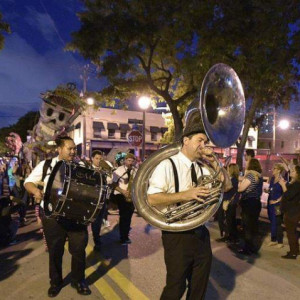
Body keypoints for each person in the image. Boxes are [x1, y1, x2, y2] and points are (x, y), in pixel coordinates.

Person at [147, 109, 228, 300]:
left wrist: (216, 164)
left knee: (199, 285)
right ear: (186, 141)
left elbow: (227, 186)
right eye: (200, 140)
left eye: (205, 142)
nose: (204, 145)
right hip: (176, 234)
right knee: (176, 285)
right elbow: (152, 198)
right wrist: (186, 195)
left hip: (200, 232)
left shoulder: (202, 167)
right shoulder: (167, 164)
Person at [24, 136, 91, 297]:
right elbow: (28, 182)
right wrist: (36, 191)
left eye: (75, 148)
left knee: (79, 250)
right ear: (59, 149)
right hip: (52, 215)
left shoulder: (80, 166)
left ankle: (78, 280)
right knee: (55, 250)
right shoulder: (46, 165)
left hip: (75, 215)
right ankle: (55, 282)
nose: (73, 151)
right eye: (70, 148)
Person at [238, 158, 263, 255]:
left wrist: (240, 184)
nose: (246, 164)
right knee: (253, 226)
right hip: (256, 202)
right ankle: (253, 247)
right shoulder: (259, 175)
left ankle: (247, 249)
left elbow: (241, 189)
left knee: (247, 226)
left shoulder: (251, 175)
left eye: (247, 163)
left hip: (249, 203)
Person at [90, 150, 113, 251]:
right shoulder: (87, 168)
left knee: (97, 222)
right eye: (97, 158)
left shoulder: (105, 169)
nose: (99, 161)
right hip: (90, 199)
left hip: (101, 199)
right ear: (92, 158)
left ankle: (97, 240)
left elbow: (110, 180)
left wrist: (105, 172)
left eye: (100, 159)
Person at [112, 153, 137, 245]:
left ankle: (125, 235)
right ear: (125, 161)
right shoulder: (119, 170)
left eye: (132, 161)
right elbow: (113, 184)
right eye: (129, 160)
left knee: (128, 216)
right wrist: (123, 191)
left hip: (130, 196)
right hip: (121, 195)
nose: (130, 163)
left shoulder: (135, 170)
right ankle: (123, 237)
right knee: (124, 216)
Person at [279, 165, 300, 259]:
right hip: (292, 211)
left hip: (292, 212)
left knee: (290, 232)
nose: (291, 171)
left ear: (298, 174)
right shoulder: (294, 183)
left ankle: (293, 253)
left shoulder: (297, 184)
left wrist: (283, 185)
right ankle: (295, 250)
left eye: (293, 170)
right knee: (293, 232)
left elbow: (288, 195)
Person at [266, 163, 285, 248]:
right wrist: (268, 191)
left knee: (277, 222)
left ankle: (279, 241)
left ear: (279, 170)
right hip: (270, 203)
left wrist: (276, 201)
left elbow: (285, 193)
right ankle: (273, 239)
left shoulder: (282, 180)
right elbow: (271, 189)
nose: (272, 170)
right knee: (271, 220)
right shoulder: (273, 178)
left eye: (274, 169)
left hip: (277, 205)